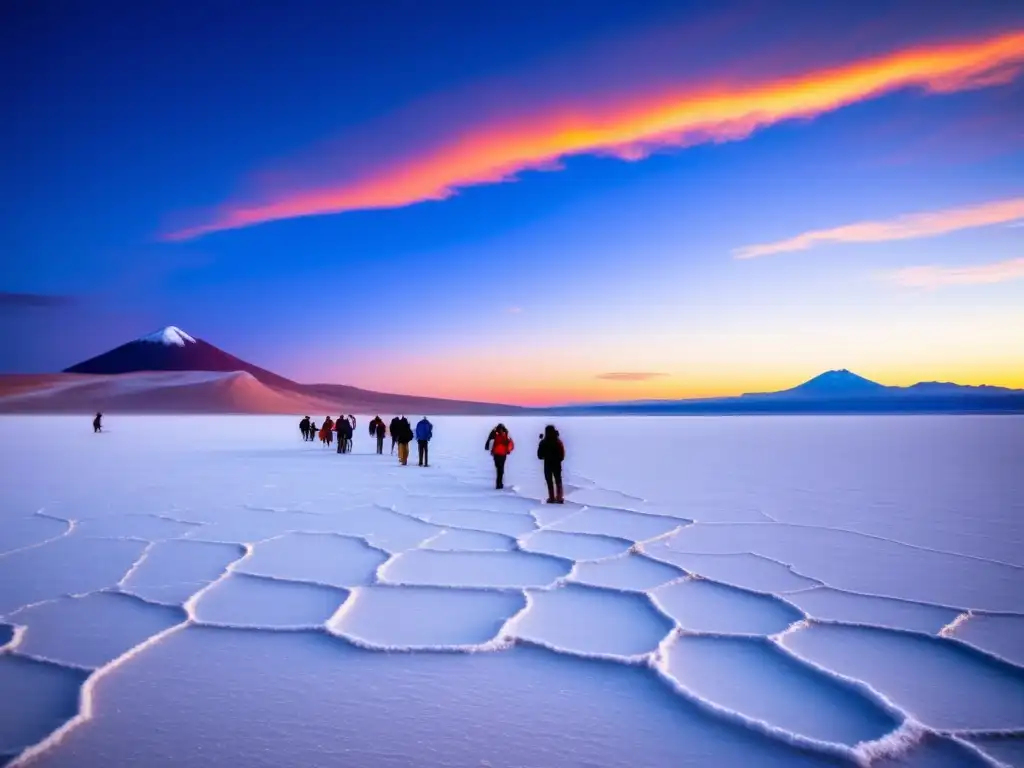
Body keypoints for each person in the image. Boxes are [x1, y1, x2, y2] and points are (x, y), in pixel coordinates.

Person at [537, 425, 565, 504]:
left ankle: (552, 498)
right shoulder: (557, 441)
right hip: (556, 464)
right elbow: (562, 454)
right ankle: (559, 497)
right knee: (558, 481)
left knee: (550, 481)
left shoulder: (544, 442)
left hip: (548, 464)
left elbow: (539, 455)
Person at [485, 423, 515, 490]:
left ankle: (499, 484)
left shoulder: (495, 434)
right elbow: (510, 443)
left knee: (499, 469)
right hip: (501, 454)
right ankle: (499, 484)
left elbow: (490, 443)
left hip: (498, 455)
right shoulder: (504, 434)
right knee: (500, 469)